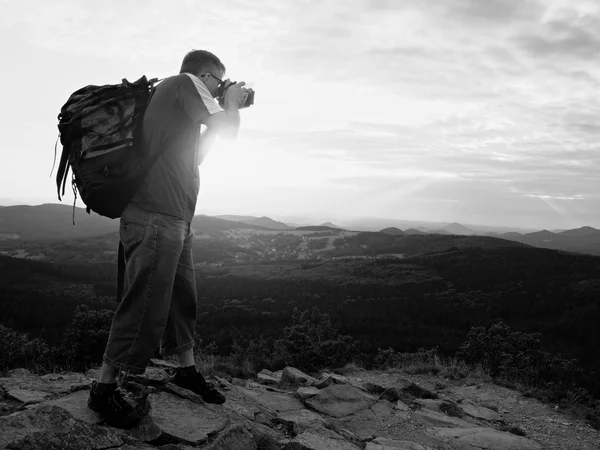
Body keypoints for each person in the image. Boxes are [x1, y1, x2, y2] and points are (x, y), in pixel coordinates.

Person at [87, 49, 250, 428]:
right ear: (206, 77)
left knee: (182, 298)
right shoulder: (185, 83)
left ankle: (186, 370)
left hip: (174, 217)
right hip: (156, 215)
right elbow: (230, 131)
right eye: (220, 82)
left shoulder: (179, 105)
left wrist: (221, 111)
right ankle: (105, 389)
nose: (220, 89)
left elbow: (200, 155)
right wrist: (229, 105)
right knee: (145, 303)